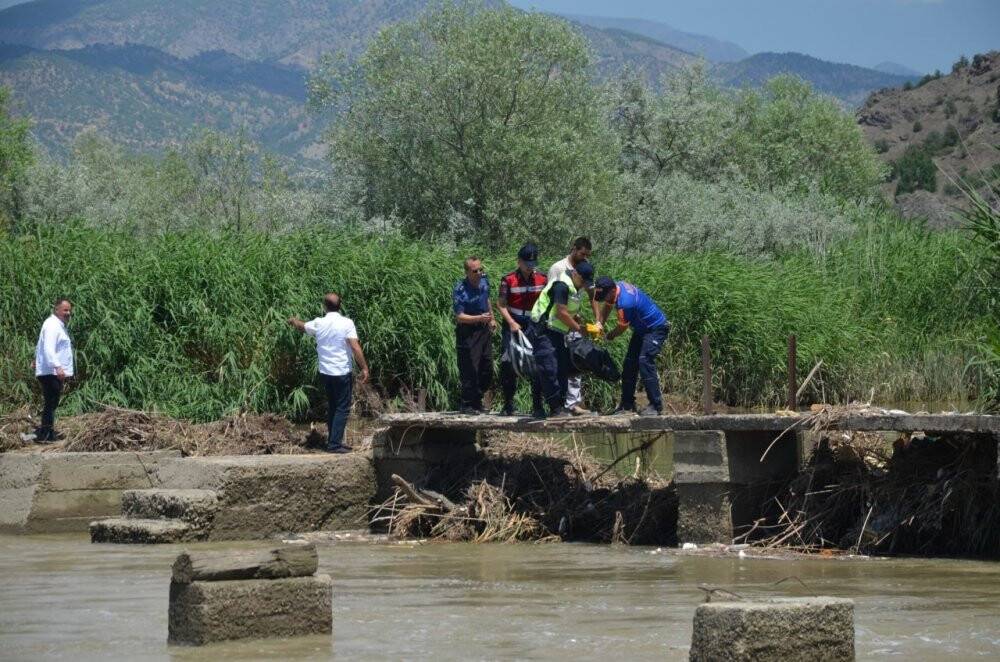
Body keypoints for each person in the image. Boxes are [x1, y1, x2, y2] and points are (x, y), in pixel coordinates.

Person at [288, 293, 370, 453]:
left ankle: (334, 440)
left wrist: (292, 321)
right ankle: (334, 444)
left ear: (324, 307)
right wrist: (365, 368)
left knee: (333, 406)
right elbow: (355, 347)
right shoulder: (347, 323)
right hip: (341, 372)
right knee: (342, 407)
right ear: (340, 306)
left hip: (325, 372)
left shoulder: (319, 323)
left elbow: (302, 326)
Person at [594, 277, 670, 416]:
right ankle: (627, 405)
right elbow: (607, 306)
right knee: (629, 364)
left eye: (604, 296)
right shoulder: (616, 286)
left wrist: (609, 335)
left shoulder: (626, 302)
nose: (604, 299)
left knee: (644, 360)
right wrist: (599, 324)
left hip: (656, 328)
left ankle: (656, 405)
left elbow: (622, 327)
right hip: (642, 330)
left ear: (611, 291)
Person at [529, 260, 595, 418]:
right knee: (549, 368)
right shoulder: (562, 285)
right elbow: (561, 313)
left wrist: (577, 318)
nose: (585, 285)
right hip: (543, 330)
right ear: (575, 274)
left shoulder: (575, 285)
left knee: (562, 368)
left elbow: (567, 310)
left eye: (587, 282)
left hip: (558, 331)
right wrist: (580, 329)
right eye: (583, 281)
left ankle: (559, 406)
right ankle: (555, 409)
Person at [547, 237, 601, 416]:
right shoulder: (558, 268)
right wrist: (573, 321)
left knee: (576, 361)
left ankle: (573, 404)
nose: (585, 257)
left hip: (573, 322)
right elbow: (553, 300)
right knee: (557, 364)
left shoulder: (585, 268)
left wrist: (598, 320)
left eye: (587, 255)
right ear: (574, 249)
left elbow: (593, 295)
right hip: (557, 323)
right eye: (582, 253)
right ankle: (558, 404)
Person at [497, 243, 547, 417]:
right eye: (526, 264)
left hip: (534, 323)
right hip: (513, 323)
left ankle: (537, 406)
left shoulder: (543, 279)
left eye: (532, 264)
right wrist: (511, 322)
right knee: (508, 362)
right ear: (519, 262)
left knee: (537, 363)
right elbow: (501, 305)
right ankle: (508, 404)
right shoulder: (508, 279)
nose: (529, 268)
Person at [22, 298, 74, 443]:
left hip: (51, 370)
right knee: (51, 402)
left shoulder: (57, 325)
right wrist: (57, 366)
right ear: (56, 310)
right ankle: (45, 435)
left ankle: (46, 433)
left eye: (69, 310)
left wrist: (37, 360)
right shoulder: (52, 325)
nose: (68, 313)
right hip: (51, 371)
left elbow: (42, 344)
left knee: (51, 403)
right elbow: (48, 348)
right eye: (65, 310)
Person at [453, 257, 495, 414]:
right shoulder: (460, 289)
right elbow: (460, 316)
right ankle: (468, 404)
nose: (479, 273)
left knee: (487, 367)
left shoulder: (484, 281)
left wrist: (492, 318)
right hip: (468, 331)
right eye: (475, 271)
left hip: (484, 329)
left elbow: (487, 298)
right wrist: (479, 318)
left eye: (480, 269)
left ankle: (477, 400)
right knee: (470, 368)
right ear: (467, 272)